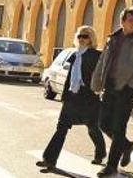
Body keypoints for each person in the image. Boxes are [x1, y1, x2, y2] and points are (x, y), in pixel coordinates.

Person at [90, 7, 133, 178]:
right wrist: (96, 82)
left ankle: (111, 166)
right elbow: (103, 61)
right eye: (130, 20)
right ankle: (126, 146)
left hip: (127, 90)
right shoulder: (113, 38)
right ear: (123, 21)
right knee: (103, 124)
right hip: (109, 86)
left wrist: (131, 83)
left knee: (119, 128)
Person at [37, 26, 106, 171]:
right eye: (80, 36)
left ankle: (100, 152)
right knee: (61, 127)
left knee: (93, 127)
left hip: (89, 98)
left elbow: (101, 77)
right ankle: (49, 159)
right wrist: (64, 95)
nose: (82, 39)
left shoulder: (96, 55)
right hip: (72, 96)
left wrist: (100, 91)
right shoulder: (75, 55)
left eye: (85, 36)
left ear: (91, 39)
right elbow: (70, 76)